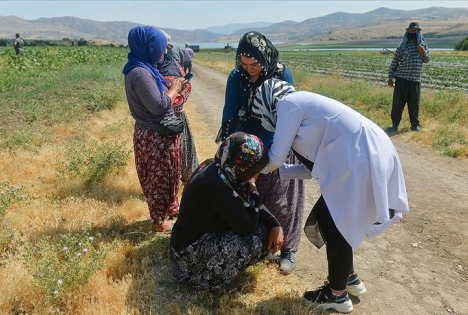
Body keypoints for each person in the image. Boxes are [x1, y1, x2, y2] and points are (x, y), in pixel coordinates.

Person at [251, 78, 410, 313]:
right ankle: (349, 278)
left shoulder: (288, 103)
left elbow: (274, 157)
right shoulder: (303, 108)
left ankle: (337, 295)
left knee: (334, 224)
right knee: (331, 220)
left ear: (266, 105)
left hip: (361, 158)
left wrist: (252, 171)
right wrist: (280, 172)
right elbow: (313, 168)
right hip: (368, 154)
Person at [217, 30, 305, 275]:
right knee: (247, 193)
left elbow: (286, 116)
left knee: (282, 199)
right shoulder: (237, 77)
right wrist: (230, 147)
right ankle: (261, 243)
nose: (249, 69)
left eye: (254, 63)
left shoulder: (281, 73)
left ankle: (288, 249)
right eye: (243, 64)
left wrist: (270, 154)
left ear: (265, 57)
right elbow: (230, 113)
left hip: (278, 139)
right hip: (247, 145)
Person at [170, 131, 284, 292]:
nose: (257, 174)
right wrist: (254, 191)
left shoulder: (224, 170)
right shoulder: (217, 185)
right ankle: (205, 281)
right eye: (255, 170)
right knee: (256, 241)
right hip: (187, 256)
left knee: (266, 229)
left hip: (199, 237)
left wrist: (275, 224)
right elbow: (247, 227)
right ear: (242, 166)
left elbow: (248, 205)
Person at [122, 25, 189, 232]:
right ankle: (159, 222)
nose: (162, 53)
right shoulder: (140, 73)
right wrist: (174, 89)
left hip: (158, 133)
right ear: (149, 47)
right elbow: (158, 105)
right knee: (158, 179)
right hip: (155, 136)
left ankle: (167, 209)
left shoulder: (144, 67)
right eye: (160, 48)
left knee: (167, 174)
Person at [157, 33, 199, 185]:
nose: (163, 52)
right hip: (158, 120)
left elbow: (186, 85)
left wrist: (177, 98)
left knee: (182, 151)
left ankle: (185, 180)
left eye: (166, 48)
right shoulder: (148, 69)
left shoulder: (174, 65)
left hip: (177, 116)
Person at [387, 21, 430, 133]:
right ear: (408, 31)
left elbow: (427, 60)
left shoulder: (423, 45)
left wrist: (423, 52)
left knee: (414, 105)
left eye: (415, 30)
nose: (413, 32)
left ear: (418, 32)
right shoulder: (402, 47)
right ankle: (395, 125)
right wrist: (390, 77)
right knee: (398, 104)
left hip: (415, 80)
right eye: (411, 30)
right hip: (402, 79)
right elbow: (394, 63)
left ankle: (415, 125)